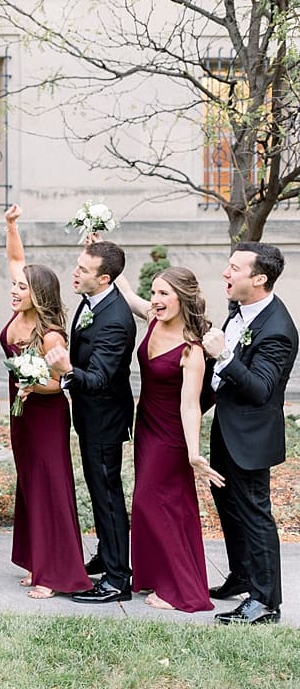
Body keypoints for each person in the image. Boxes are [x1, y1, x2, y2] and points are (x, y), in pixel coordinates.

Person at [201, 243, 297, 625]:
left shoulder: (278, 329)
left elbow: (260, 389)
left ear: (259, 279)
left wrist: (224, 355)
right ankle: (242, 576)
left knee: (256, 514)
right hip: (227, 429)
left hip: (252, 438)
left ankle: (265, 602)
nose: (225, 273)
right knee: (228, 505)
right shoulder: (238, 310)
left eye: (234, 268)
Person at [113, 265, 219, 612]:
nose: (155, 300)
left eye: (163, 294)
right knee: (161, 505)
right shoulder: (154, 318)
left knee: (152, 503)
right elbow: (128, 295)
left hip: (171, 435)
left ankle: (183, 592)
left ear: (182, 298)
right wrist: (104, 252)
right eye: (155, 292)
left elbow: (190, 405)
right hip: (146, 425)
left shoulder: (192, 349)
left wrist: (193, 452)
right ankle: (159, 576)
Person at [1, 207, 92, 600]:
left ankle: (56, 573)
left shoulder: (51, 335)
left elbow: (60, 383)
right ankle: (37, 560)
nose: (14, 289)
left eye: (22, 288)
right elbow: (16, 260)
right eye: (16, 285)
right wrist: (11, 227)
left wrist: (33, 387)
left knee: (49, 488)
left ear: (37, 295)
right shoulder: (18, 313)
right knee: (30, 485)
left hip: (45, 416)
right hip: (21, 415)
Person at [45, 239, 137, 604]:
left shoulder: (115, 319)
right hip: (90, 416)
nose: (75, 272)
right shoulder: (93, 301)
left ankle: (117, 579)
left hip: (105, 418)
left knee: (107, 493)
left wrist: (65, 370)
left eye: (83, 269)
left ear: (104, 279)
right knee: (99, 491)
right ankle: (106, 553)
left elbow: (98, 378)